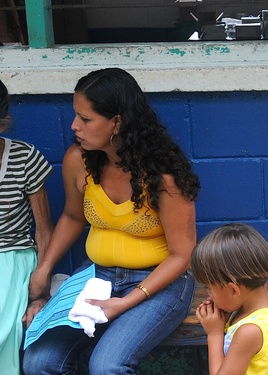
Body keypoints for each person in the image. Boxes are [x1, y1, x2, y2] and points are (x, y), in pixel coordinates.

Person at [22, 67, 200, 374]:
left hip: (157, 284)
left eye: (86, 119)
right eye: (75, 115)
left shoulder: (163, 176)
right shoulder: (78, 160)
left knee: (106, 366)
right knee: (39, 363)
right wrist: (44, 268)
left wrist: (127, 301)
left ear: (117, 122)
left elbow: (182, 256)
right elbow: (73, 216)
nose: (75, 126)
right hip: (95, 278)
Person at [0, 79, 53, 375]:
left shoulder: (24, 158)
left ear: (3, 122)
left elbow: (44, 229)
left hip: (13, 256)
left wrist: (39, 288)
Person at [191, 223, 268, 375]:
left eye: (209, 287)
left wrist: (214, 334)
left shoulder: (249, 331)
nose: (208, 294)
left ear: (233, 289)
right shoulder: (265, 305)